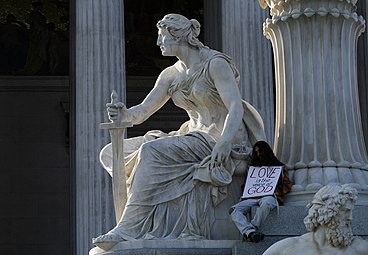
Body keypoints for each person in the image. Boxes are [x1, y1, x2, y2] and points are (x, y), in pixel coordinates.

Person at [93, 13, 266, 250]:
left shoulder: (215, 64)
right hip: (192, 136)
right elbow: (143, 112)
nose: (158, 43)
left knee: (151, 152)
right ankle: (144, 222)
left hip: (220, 138)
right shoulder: (171, 74)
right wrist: (124, 114)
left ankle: (129, 227)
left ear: (179, 35)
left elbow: (235, 106)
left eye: (162, 36)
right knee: (111, 152)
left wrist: (224, 144)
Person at [263, 184, 368, 255]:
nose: (350, 218)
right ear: (325, 212)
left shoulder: (359, 248)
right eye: (345, 211)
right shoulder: (287, 248)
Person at [229, 141, 292, 242]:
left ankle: (252, 229)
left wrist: (276, 190)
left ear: (266, 152)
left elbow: (287, 186)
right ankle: (250, 231)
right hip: (252, 198)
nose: (259, 155)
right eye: (256, 152)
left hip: (270, 196)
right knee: (234, 210)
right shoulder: (253, 170)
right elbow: (245, 186)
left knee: (267, 203)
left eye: (260, 152)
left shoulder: (280, 168)